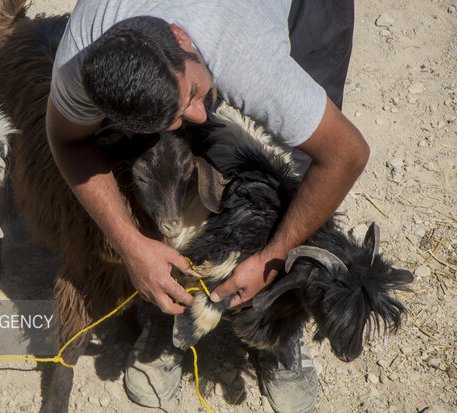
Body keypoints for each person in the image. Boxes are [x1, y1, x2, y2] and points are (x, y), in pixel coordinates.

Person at [46, 1, 368, 412]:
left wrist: (273, 256)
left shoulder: (249, 59)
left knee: (300, 154)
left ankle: (278, 322)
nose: (201, 111)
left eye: (195, 93)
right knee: (170, 153)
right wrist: (130, 245)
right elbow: (67, 139)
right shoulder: (81, 62)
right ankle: (177, 304)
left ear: (181, 37)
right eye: (179, 112)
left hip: (283, 13)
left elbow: (347, 154)